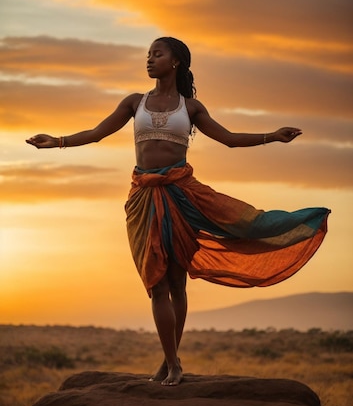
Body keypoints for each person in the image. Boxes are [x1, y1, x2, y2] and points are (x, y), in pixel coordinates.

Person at [26, 36, 330, 386]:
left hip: (183, 196)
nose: (149, 59)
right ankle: (172, 362)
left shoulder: (191, 107)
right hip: (143, 198)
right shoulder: (134, 102)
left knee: (177, 281)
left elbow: (229, 138)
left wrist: (272, 136)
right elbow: (97, 133)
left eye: (157, 54)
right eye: (148, 54)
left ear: (176, 62)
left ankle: (171, 363)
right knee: (156, 282)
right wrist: (58, 142)